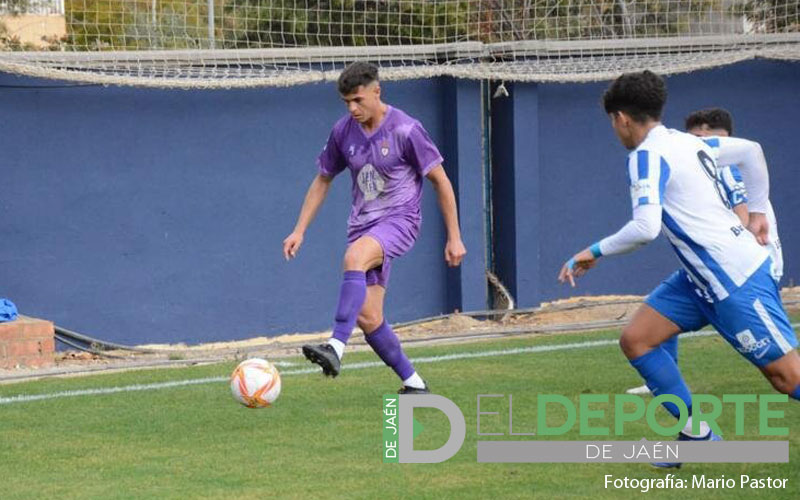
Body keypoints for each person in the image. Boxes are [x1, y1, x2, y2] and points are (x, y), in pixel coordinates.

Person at [558, 70, 799, 466]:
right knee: (637, 340)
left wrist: (593, 251)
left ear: (620, 118)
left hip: (734, 279)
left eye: (612, 123)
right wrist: (756, 210)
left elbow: (645, 228)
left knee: (787, 378)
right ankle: (696, 435)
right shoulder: (686, 141)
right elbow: (752, 151)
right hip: (699, 280)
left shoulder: (646, 157)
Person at [283, 62, 467, 394]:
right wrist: (299, 229)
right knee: (369, 317)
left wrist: (454, 236)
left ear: (376, 91)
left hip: (400, 222)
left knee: (354, 257)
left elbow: (441, 181)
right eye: (346, 103)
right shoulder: (342, 132)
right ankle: (414, 384)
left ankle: (336, 346)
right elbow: (323, 179)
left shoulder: (407, 130)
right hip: (362, 226)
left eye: (358, 100)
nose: (352, 109)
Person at [626, 107, 784, 395]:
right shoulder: (702, 165)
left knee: (784, 374)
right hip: (726, 265)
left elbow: (743, 215)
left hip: (744, 268)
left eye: (706, 136)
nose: (700, 141)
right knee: (660, 307)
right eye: (695, 135)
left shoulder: (727, 168)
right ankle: (666, 385)